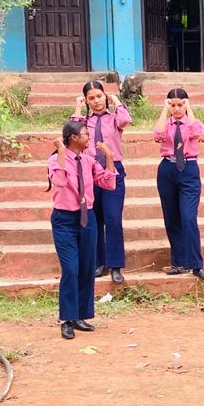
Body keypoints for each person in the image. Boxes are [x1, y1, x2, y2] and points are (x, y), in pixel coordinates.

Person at [48, 120, 120, 341]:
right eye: (85, 134)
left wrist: (108, 157)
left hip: (87, 218)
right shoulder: (54, 160)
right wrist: (61, 151)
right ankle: (66, 319)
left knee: (87, 267)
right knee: (70, 268)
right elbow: (59, 181)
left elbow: (108, 184)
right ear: (73, 139)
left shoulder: (88, 161)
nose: (89, 137)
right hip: (64, 219)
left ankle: (80, 315)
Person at [72, 80, 132, 284]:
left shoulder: (114, 118)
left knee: (113, 218)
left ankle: (115, 265)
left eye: (99, 96)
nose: (96, 101)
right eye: (91, 98)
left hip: (112, 169)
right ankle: (100, 263)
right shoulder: (84, 122)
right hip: (90, 172)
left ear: (105, 96)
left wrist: (117, 102)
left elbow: (126, 121)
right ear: (87, 101)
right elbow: (72, 133)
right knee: (94, 219)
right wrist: (78, 108)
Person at [153, 90, 204, 280]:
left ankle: (196, 264)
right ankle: (178, 262)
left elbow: (196, 132)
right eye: (173, 105)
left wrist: (189, 108)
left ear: (185, 105)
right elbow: (158, 135)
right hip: (167, 169)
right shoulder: (166, 124)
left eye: (180, 105)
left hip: (189, 168)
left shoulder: (192, 121)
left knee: (188, 216)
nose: (176, 109)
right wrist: (164, 109)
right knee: (172, 217)